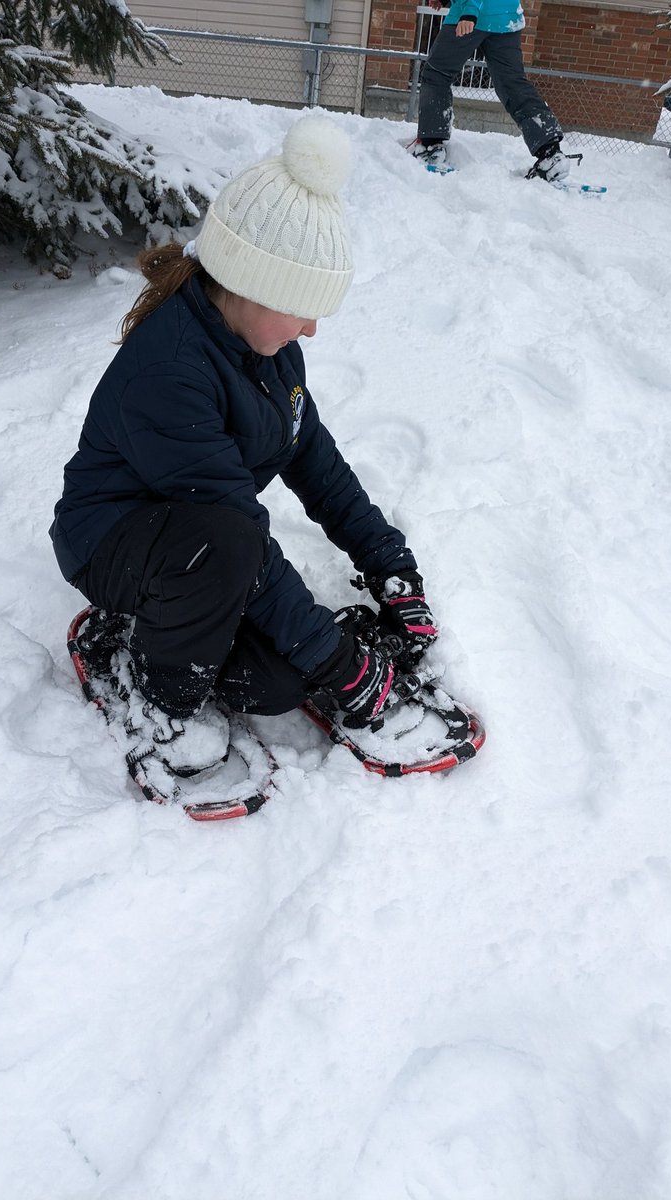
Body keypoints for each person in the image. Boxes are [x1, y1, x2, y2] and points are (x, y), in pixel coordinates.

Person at [50, 116, 438, 765]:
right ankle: (154, 690)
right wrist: (348, 670)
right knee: (231, 552)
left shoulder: (268, 348)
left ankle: (175, 629)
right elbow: (238, 536)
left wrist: (390, 565)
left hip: (204, 544)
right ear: (253, 286)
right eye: (303, 306)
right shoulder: (169, 372)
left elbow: (312, 457)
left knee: (277, 681)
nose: (313, 329)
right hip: (115, 543)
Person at [411, 0, 569, 181]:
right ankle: (550, 152)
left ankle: (432, 146)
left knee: (437, 74)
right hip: (506, 18)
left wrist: (470, 11)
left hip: (473, 14)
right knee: (513, 84)